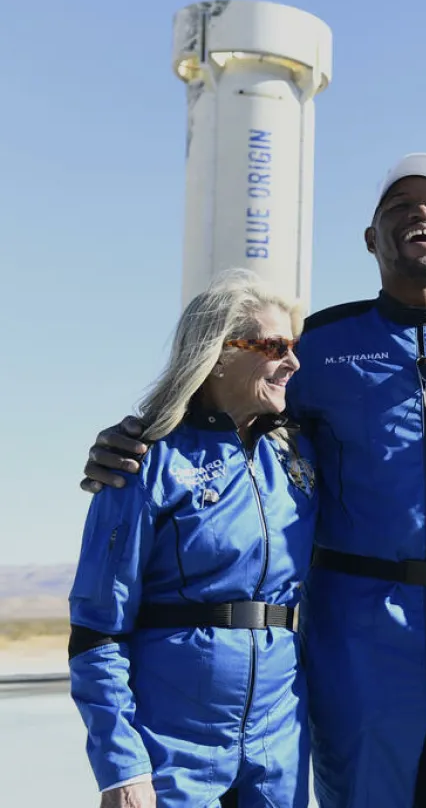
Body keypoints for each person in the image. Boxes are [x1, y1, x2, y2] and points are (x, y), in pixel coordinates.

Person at [80, 153, 426, 808]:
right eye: (399, 206)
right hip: (355, 636)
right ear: (371, 239)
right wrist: (136, 436)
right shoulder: (316, 349)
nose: (421, 213)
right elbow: (226, 410)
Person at [69, 269, 316, 808]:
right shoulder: (141, 461)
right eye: (273, 346)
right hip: (171, 743)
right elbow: (95, 631)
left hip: (280, 737)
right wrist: (121, 767)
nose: (292, 362)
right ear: (219, 353)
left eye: (293, 346)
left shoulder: (299, 457)